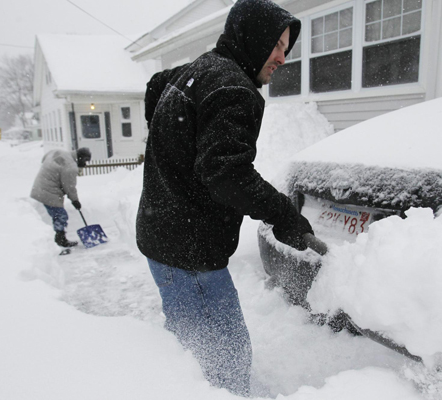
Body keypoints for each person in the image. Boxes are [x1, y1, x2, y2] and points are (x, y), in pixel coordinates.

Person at [136, 0, 313, 396]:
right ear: (253, 39)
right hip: (190, 255)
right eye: (277, 45)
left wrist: (175, 148)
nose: (283, 57)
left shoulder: (199, 71)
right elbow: (227, 175)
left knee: (189, 350)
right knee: (225, 363)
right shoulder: (233, 87)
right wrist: (286, 216)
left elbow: (154, 85)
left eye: (287, 47)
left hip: (162, 239)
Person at [31, 148, 91, 247]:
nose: (85, 164)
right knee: (60, 216)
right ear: (80, 158)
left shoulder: (58, 152)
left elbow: (44, 158)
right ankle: (60, 240)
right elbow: (69, 187)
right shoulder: (71, 167)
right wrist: (75, 200)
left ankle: (59, 238)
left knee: (58, 215)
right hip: (49, 191)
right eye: (85, 161)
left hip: (40, 187)